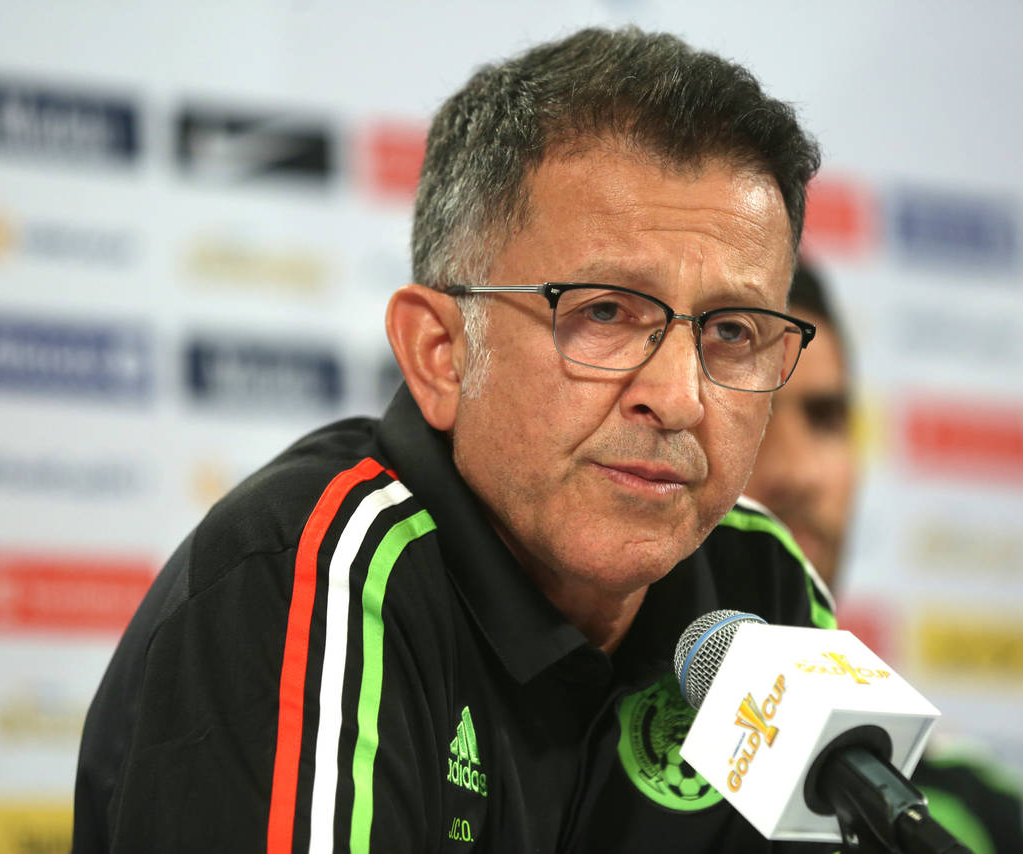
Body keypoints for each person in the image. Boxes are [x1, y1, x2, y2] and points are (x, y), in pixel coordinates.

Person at [72, 27, 839, 853]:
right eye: (604, 312)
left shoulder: (762, 586)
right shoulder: (314, 573)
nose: (679, 397)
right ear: (440, 353)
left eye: (732, 330)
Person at [744, 260, 1023, 854]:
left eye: (825, 418)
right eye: (755, 416)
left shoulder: (966, 806)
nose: (798, 473)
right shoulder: (570, 763)